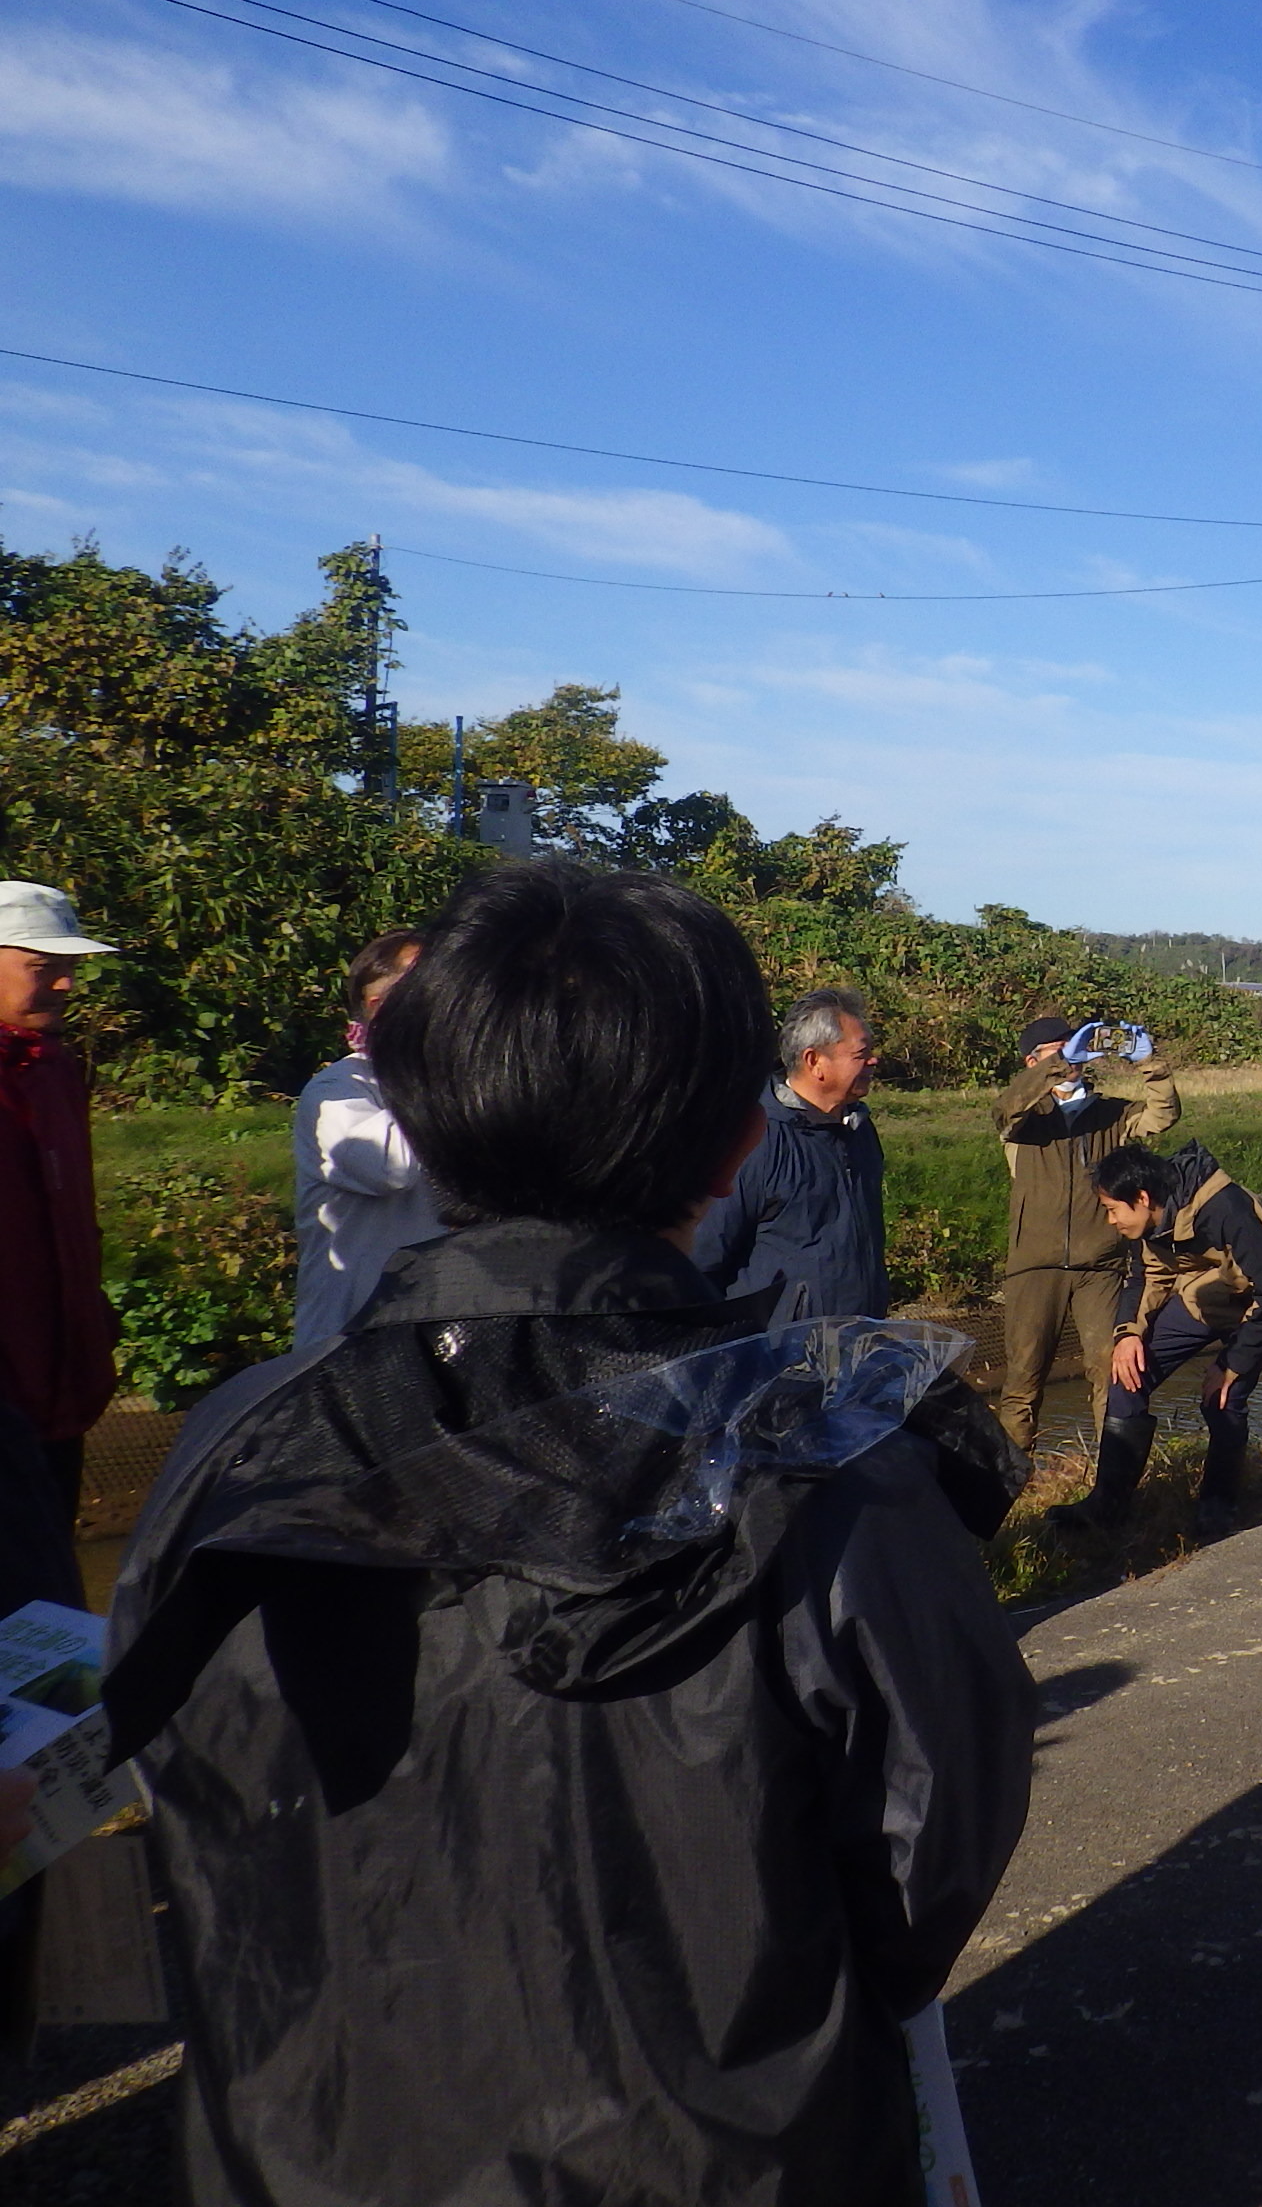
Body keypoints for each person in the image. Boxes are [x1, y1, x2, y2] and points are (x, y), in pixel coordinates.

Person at [103, 861, 1035, 2207]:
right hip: (728, 2152)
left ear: (421, 1108)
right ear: (737, 1142)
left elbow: (184, 1780)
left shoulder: (240, 1437)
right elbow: (932, 1847)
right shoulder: (827, 1462)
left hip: (312, 2142)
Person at [1046, 1139, 1262, 1541]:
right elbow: (1143, 1277)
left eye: (1112, 1209)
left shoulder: (1226, 1209)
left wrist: (1232, 1364)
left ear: (1142, 1198)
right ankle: (1107, 1507)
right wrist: (1127, 1334)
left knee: (1222, 1396)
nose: (1111, 1221)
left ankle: (1217, 1510)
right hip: (1206, 1291)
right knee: (1127, 1374)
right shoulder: (1149, 1217)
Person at [990, 1015, 1178, 1449]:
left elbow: (1164, 1114)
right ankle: (1012, 1476)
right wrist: (1055, 1067)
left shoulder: (1113, 1114)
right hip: (1034, 1267)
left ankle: (1111, 1474)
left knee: (1111, 1371)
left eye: (1074, 1047)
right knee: (1022, 1379)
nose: (1070, 1057)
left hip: (1102, 1267)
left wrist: (1149, 1062)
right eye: (1057, 1050)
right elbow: (1004, 1109)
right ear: (1032, 1061)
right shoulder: (1023, 1119)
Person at [0, 882, 118, 1540]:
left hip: (58, 1386)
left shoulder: (51, 1070)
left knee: (48, 1569)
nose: (67, 984)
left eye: (70, 967)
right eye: (43, 967)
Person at [291, 927, 445, 1348]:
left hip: (432, 1328)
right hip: (348, 1341)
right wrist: (444, 1066)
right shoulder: (337, 1090)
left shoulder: (452, 1085)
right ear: (381, 1007)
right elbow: (391, 1167)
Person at [696, 986, 889, 1320]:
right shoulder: (756, 1138)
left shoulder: (858, 1128)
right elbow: (704, 1256)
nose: (874, 1060)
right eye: (861, 1053)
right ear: (814, 1061)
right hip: (779, 1346)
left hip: (856, 1337)